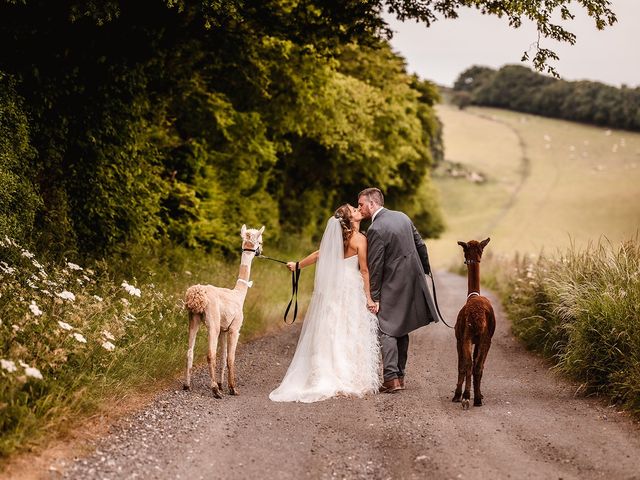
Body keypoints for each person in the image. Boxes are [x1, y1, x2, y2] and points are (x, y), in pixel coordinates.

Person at [269, 204, 380, 403]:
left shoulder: (337, 239)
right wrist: (369, 298)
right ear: (350, 220)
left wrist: (297, 265)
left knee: (331, 326)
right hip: (351, 287)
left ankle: (327, 371)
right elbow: (364, 271)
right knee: (350, 328)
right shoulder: (360, 239)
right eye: (354, 210)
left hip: (335, 287)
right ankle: (348, 375)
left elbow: (319, 254)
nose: (357, 210)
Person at [357, 187, 438, 394]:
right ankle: (400, 377)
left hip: (392, 283)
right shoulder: (402, 217)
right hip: (412, 280)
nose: (360, 208)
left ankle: (391, 378)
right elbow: (421, 245)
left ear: (372, 204)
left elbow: (376, 265)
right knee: (401, 327)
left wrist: (374, 297)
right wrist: (425, 270)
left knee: (386, 328)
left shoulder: (376, 229)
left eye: (361, 204)